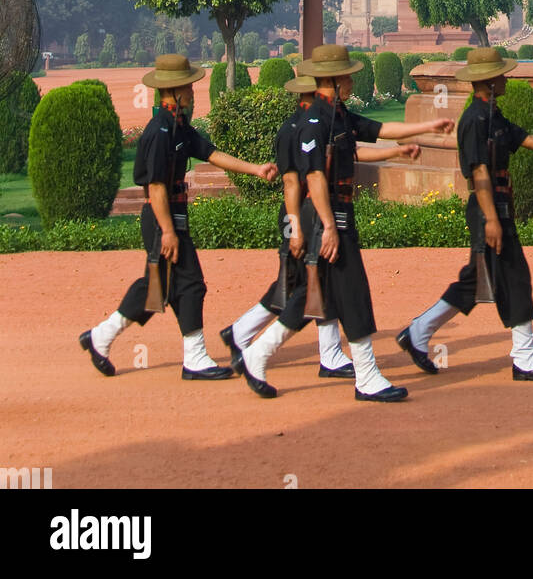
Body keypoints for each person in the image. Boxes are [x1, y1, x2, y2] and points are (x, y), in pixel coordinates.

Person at [238, 44, 454, 401]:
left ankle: (256, 354)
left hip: (337, 212)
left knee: (314, 295)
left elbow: (380, 128)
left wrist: (429, 125)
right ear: (335, 79)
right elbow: (315, 179)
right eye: (349, 75)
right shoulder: (314, 121)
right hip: (328, 215)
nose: (353, 79)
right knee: (352, 290)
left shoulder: (337, 115)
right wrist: (329, 227)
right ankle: (366, 374)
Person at [398, 47, 533, 382]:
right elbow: (478, 174)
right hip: (488, 209)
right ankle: (524, 356)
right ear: (488, 81)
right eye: (501, 74)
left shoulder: (492, 115)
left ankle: (417, 333)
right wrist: (491, 218)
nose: (506, 78)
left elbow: (529, 139)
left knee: (476, 281)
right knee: (513, 278)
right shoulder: (475, 120)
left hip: (497, 207)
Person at [79, 54, 277, 381]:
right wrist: (168, 232)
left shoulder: (179, 127)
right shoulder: (158, 132)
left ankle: (101, 337)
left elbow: (211, 153)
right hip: (162, 219)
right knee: (189, 284)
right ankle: (194, 357)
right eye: (189, 87)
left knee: (158, 287)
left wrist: (256, 169)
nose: (193, 92)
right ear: (173, 92)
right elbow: (155, 187)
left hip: (172, 218)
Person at [221, 72, 421, 380]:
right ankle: (242, 334)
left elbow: (356, 148)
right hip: (301, 215)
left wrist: (399, 147)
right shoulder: (296, 130)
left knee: (316, 289)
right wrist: (296, 230)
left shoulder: (329, 122)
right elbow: (292, 184)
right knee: (295, 285)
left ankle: (318, 353)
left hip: (315, 213)